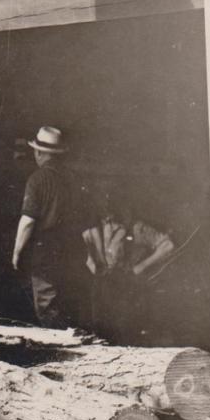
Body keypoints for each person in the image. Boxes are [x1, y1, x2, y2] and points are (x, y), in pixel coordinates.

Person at [11, 126, 84, 327]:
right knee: (67, 303)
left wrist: (17, 252)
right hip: (72, 250)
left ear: (39, 152)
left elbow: (28, 221)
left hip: (46, 252)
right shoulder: (74, 179)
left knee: (47, 307)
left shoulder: (37, 179)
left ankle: (62, 352)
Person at [82, 194, 176, 342]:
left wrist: (142, 266)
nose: (107, 209)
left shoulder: (136, 228)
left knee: (127, 335)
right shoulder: (94, 229)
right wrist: (95, 267)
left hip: (128, 288)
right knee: (100, 336)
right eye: (103, 204)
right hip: (101, 289)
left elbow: (168, 246)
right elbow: (88, 255)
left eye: (111, 203)